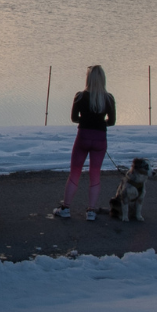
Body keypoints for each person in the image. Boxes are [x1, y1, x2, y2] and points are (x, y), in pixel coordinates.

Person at [56, 65, 116, 221]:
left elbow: (74, 118)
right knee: (95, 174)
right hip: (100, 139)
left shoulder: (80, 96)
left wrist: (85, 120)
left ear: (88, 79)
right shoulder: (108, 98)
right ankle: (91, 211)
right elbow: (112, 121)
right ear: (103, 79)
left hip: (83, 137)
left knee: (75, 172)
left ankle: (66, 208)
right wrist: (100, 123)